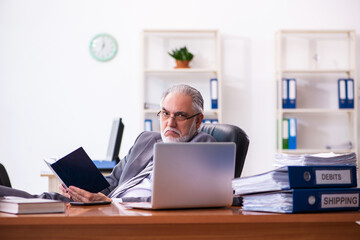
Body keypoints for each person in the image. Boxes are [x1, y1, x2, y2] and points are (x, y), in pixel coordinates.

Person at [0, 84, 215, 202]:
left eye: (179, 115)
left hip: (124, 215)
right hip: (100, 204)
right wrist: (80, 187)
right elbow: (112, 182)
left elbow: (173, 202)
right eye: (165, 113)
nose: (170, 123)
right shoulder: (146, 140)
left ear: (197, 120)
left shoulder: (202, 146)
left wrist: (110, 203)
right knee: (37, 200)